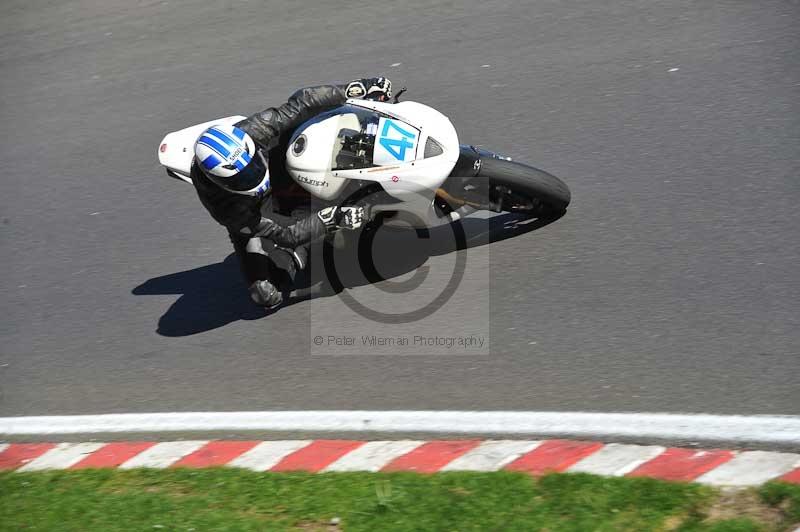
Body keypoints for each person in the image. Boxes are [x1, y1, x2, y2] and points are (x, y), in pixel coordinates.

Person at [191, 77, 393, 309]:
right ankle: (312, 240)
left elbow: (303, 101)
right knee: (266, 294)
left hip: (276, 162)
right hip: (256, 210)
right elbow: (286, 233)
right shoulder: (228, 209)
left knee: (312, 117)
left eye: (251, 167)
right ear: (219, 181)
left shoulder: (252, 132)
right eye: (242, 177)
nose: (252, 176)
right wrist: (331, 219)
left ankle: (367, 139)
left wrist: (355, 89)